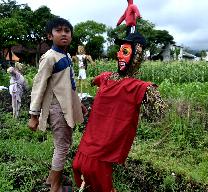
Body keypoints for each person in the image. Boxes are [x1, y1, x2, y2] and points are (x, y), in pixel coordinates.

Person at [72, 32, 167, 192]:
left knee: (95, 174)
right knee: (77, 166)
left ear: (136, 56)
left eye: (125, 51)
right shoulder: (106, 77)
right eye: (119, 51)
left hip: (106, 143)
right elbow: (92, 81)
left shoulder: (138, 87)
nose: (119, 55)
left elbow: (159, 107)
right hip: (90, 137)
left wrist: (152, 99)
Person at [28, 17, 87, 192]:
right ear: (49, 35)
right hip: (56, 108)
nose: (63, 34)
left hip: (67, 106)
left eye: (67, 31)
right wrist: (33, 115)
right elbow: (38, 87)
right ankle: (55, 186)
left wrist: (79, 104)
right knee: (62, 146)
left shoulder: (67, 56)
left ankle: (50, 179)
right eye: (58, 30)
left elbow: (70, 84)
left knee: (64, 143)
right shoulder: (49, 58)